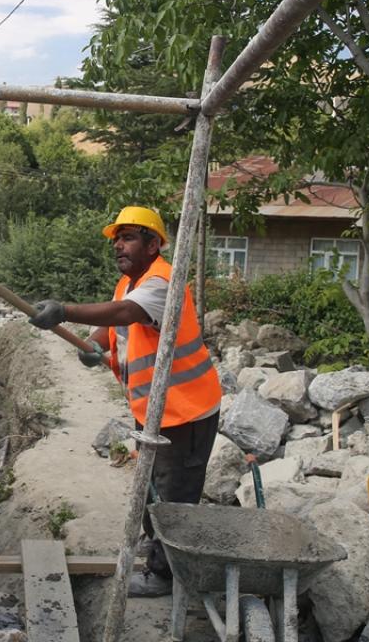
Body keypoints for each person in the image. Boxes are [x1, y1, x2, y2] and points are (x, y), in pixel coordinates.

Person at [27, 206, 223, 597]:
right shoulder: (131, 282)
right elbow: (117, 321)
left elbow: (126, 312)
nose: (118, 245)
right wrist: (96, 344)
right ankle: (156, 554)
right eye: (116, 239)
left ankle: (165, 576)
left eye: (129, 237)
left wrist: (64, 311)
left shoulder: (162, 280)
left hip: (184, 412)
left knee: (174, 497)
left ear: (154, 244)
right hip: (153, 410)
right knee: (153, 487)